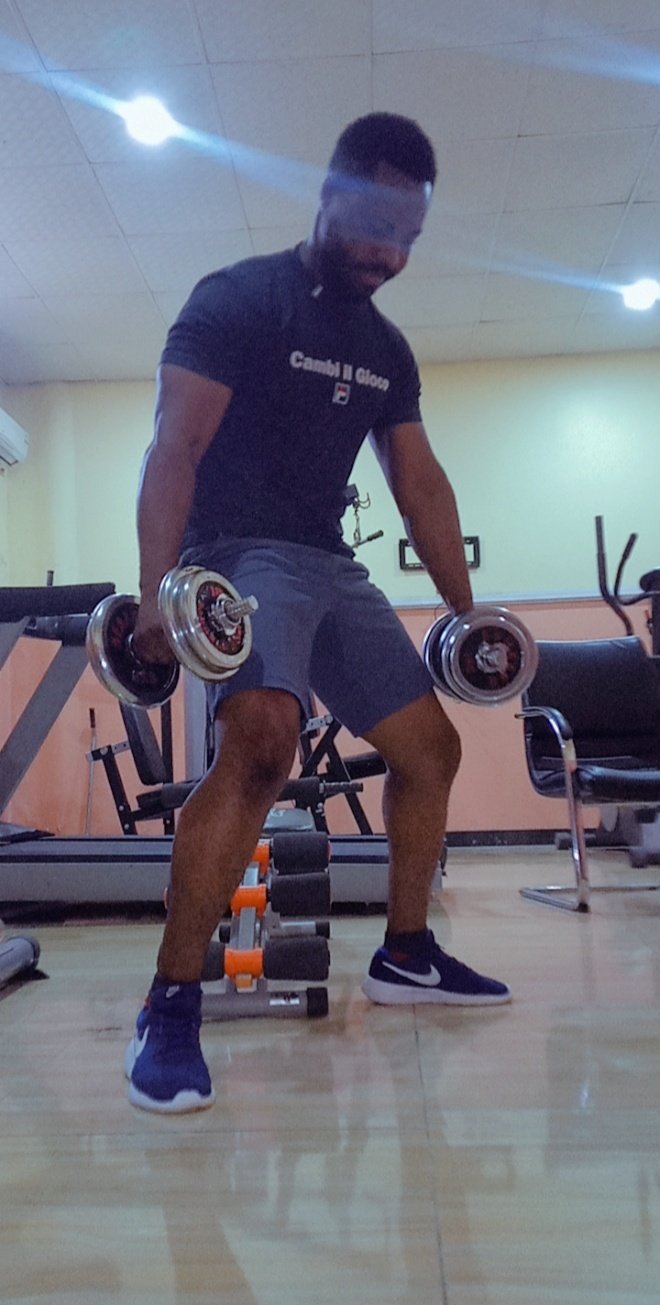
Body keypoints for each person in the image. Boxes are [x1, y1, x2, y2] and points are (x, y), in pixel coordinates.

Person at [125, 112, 511, 1115]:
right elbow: (173, 447)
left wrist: (467, 614)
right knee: (262, 746)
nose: (391, 254)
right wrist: (155, 586)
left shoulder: (385, 349)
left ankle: (407, 952)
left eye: (409, 238)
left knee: (430, 750)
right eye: (378, 226)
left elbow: (420, 483)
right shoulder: (238, 300)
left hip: (330, 564)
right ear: (330, 195)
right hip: (236, 551)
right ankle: (170, 1003)